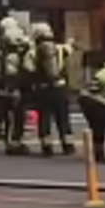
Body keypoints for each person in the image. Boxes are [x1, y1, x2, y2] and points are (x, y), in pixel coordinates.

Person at [31, 22, 76, 157]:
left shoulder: (34, 50)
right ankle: (68, 145)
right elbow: (69, 49)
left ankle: (47, 146)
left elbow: (29, 68)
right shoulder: (60, 48)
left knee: (44, 118)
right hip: (60, 87)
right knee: (63, 117)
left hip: (43, 89)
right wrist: (71, 42)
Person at [3, 21, 36, 157]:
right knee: (15, 117)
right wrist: (13, 89)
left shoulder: (12, 55)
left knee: (17, 116)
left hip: (18, 89)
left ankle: (14, 141)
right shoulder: (13, 57)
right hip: (15, 90)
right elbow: (13, 75)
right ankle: (13, 143)